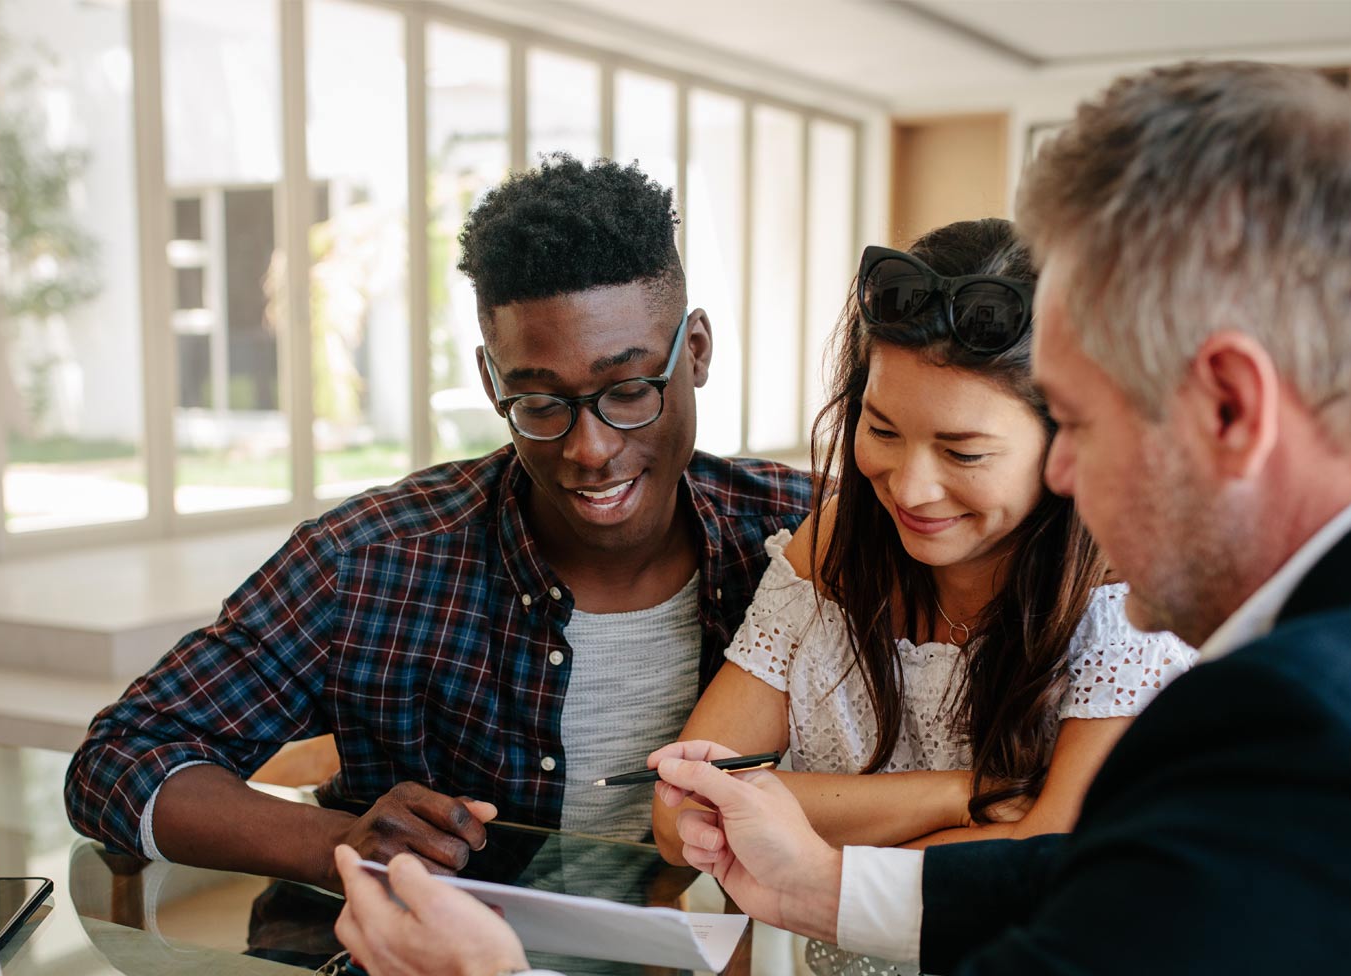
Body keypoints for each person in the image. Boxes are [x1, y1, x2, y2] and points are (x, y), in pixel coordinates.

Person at [332, 61, 1351, 976]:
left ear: (1226, 405)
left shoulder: (1322, 736)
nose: (1058, 483)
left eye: (1079, 424)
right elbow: (1126, 879)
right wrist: (834, 890)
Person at [63, 157, 811, 884]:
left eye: (628, 390)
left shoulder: (802, 541)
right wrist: (337, 843)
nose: (591, 449)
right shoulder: (373, 562)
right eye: (541, 404)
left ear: (699, 352)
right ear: (491, 385)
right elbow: (119, 760)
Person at [654, 217, 1193, 976]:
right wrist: (966, 795)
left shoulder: (1125, 588)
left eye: (964, 452)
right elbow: (685, 812)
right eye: (881, 430)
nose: (909, 488)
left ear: (1067, 440)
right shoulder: (832, 549)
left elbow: (1047, 862)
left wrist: (803, 834)